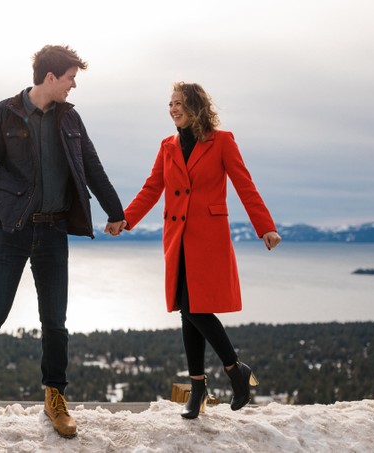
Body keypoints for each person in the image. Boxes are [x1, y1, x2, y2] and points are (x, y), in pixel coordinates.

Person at [0, 45, 127, 438]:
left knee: (55, 321)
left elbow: (91, 166)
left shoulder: (71, 119)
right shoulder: (2, 113)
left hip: (55, 231)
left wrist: (116, 211)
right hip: (12, 232)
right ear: (51, 77)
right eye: (71, 78)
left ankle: (55, 398)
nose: (74, 86)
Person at [117, 81, 281, 419]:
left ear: (196, 106)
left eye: (179, 103)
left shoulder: (222, 141)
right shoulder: (167, 146)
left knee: (194, 307)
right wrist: (125, 219)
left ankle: (233, 370)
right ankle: (200, 386)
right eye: (170, 103)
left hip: (207, 238)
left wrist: (265, 226)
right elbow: (152, 187)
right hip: (176, 238)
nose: (173, 108)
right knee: (187, 308)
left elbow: (244, 183)